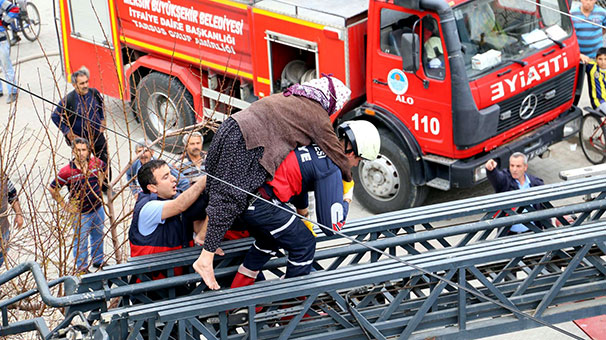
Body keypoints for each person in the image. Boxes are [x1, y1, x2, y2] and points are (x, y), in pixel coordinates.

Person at [192, 75, 354, 290]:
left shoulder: (293, 97)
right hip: (246, 140)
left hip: (230, 128)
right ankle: (205, 260)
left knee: (217, 188)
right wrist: (348, 183)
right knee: (231, 197)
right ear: (331, 101)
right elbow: (336, 153)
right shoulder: (317, 115)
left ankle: (204, 236)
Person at [229, 121, 380, 290]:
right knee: (305, 244)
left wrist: (304, 214)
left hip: (251, 200)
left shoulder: (317, 146)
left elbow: (299, 184)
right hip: (264, 205)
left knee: (269, 241)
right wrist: (347, 197)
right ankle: (294, 306)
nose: (356, 164)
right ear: (351, 152)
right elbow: (331, 227)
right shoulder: (330, 167)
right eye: (360, 159)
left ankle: (238, 294)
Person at [128, 159, 211, 263]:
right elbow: (180, 205)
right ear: (152, 188)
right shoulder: (148, 207)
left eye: (171, 173)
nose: (174, 179)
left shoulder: (176, 197)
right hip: (152, 276)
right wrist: (206, 179)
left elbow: (197, 225)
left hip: (180, 273)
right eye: (166, 177)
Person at [48, 138, 106, 272]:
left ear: (88, 151)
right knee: (81, 241)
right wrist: (64, 205)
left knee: (98, 235)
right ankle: (82, 268)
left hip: (97, 208)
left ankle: (98, 261)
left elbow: (104, 168)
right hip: (81, 213)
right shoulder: (66, 172)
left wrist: (99, 186)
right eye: (78, 150)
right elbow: (53, 188)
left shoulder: (95, 163)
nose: (81, 153)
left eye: (84, 150)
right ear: (73, 151)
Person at [51, 66, 111, 191]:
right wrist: (67, 131)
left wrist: (102, 120)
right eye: (82, 83)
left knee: (104, 163)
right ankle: (88, 189)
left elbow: (100, 106)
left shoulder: (94, 93)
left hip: (97, 137)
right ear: (74, 84)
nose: (85, 85)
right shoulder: (68, 100)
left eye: (86, 82)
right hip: (82, 142)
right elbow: (55, 116)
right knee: (84, 166)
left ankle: (105, 187)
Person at [485, 152, 544, 234]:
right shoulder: (506, 181)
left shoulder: (536, 183)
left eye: (518, 166)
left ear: (525, 167)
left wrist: (548, 228)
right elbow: (497, 178)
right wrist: (491, 170)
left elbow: (543, 208)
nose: (514, 169)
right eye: (512, 166)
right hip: (509, 233)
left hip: (531, 231)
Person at [571, 0, 606, 64]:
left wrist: (595, 37)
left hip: (596, 57)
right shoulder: (572, 14)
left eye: (591, 0)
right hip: (579, 57)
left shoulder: (602, 12)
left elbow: (604, 28)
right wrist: (577, 54)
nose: (588, 2)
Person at [0, 175, 23, 267]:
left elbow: (12, 195)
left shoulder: (2, 177)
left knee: (1, 258)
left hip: (3, 229)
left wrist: (18, 214)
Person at [0, 0, 19, 104]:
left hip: (1, 40)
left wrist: (5, 22)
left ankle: (12, 91)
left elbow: (14, 9)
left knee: (6, 66)